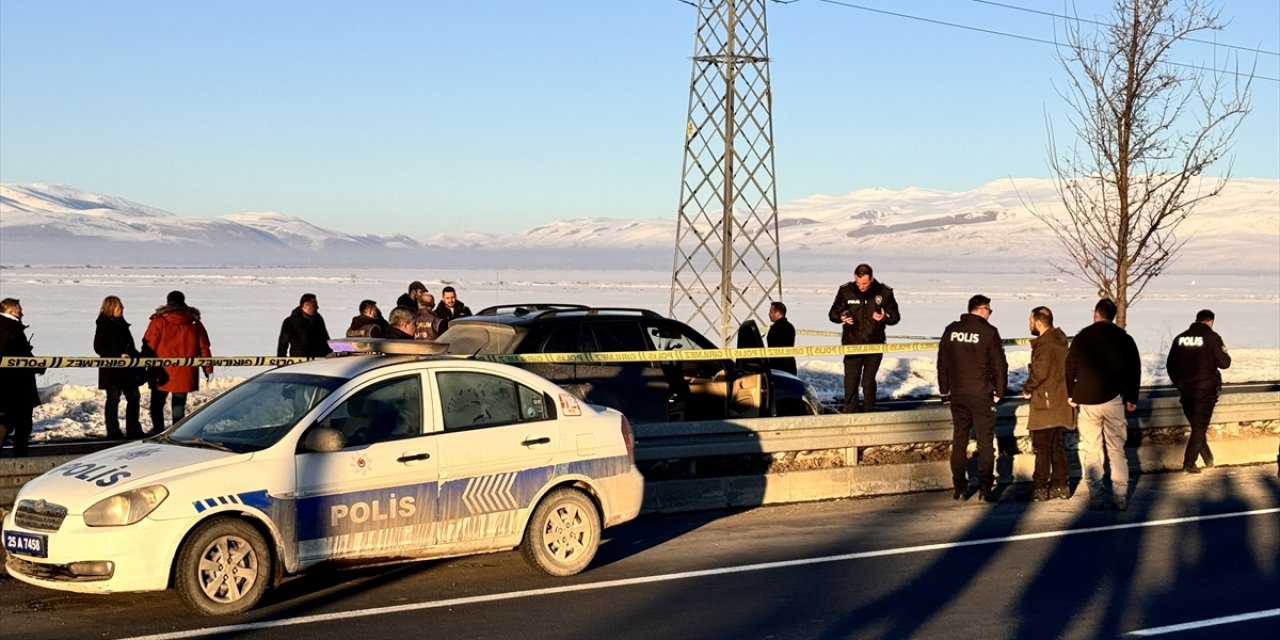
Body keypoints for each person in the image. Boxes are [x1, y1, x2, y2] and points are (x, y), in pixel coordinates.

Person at [1065, 298, 1141, 511]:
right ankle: (1120, 495)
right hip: (1114, 399)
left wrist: (1072, 393)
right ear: (1113, 316)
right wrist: (1132, 398)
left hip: (1087, 401)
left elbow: (1069, 368)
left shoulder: (1082, 337)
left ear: (1096, 314)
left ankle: (1096, 495)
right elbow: (1134, 369)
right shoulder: (1124, 339)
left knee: (1091, 449)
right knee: (1117, 449)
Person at [937, 295, 1008, 502]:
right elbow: (999, 365)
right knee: (985, 443)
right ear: (980, 309)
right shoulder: (988, 332)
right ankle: (985, 488)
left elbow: (942, 362)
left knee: (959, 440)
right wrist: (999, 392)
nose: (990, 313)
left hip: (958, 394)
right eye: (989, 310)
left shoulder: (951, 330)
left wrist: (944, 390)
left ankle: (959, 487)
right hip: (982, 394)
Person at [828, 263, 901, 412]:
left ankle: (869, 410)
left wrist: (884, 318)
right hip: (852, 343)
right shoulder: (846, 291)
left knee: (867, 381)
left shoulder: (884, 292)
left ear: (871, 279)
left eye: (865, 283)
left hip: (874, 343)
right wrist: (842, 317)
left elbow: (895, 317)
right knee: (851, 380)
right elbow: (832, 314)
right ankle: (850, 410)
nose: (861, 286)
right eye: (858, 283)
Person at [1166, 309, 1231, 474]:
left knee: (1197, 425)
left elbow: (1170, 364)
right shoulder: (1212, 338)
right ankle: (1189, 463)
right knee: (1200, 427)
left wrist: (1179, 383)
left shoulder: (1180, 338)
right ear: (1210, 321)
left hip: (1185, 390)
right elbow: (1224, 363)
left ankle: (1208, 459)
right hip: (1205, 390)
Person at [142, 290, 212, 434]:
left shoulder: (159, 322)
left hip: (160, 372)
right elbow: (204, 347)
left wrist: (143, 365)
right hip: (185, 371)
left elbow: (149, 345)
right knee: (179, 406)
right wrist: (208, 369)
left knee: (157, 405)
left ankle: (158, 432)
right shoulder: (194, 322)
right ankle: (177, 433)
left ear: (168, 302)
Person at [1022, 306, 1073, 500]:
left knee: (1042, 446)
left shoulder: (1045, 345)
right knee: (1056, 445)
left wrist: (1027, 388)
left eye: (1030, 321)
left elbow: (1040, 372)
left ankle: (1040, 487)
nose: (1029, 324)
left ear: (1039, 322)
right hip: (1058, 400)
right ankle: (1061, 485)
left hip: (1046, 402)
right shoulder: (1059, 341)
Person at [93, 295, 144, 440]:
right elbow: (98, 347)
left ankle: (133, 429)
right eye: (119, 306)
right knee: (113, 399)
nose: (122, 309)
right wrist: (117, 355)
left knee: (134, 397)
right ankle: (113, 431)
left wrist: (137, 357)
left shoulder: (122, 325)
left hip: (128, 370)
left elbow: (130, 347)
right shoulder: (104, 325)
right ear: (111, 308)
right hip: (112, 371)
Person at [0, 298, 45, 457]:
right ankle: (21, 458)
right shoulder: (11, 330)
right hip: (18, 384)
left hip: (10, 383)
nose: (22, 313)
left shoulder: (9, 328)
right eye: (19, 310)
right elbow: (19, 355)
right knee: (20, 423)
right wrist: (36, 365)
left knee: (10, 420)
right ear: (11, 311)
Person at [277, 293, 333, 358]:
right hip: (300, 361)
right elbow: (283, 343)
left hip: (319, 359)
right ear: (306, 305)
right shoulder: (290, 321)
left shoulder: (318, 319)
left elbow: (325, 338)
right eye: (314, 305)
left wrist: (330, 354)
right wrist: (281, 360)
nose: (317, 307)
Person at [766, 301, 797, 375]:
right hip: (788, 367)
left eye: (771, 311)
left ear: (777, 313)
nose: (769, 314)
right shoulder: (789, 326)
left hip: (779, 368)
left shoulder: (777, 328)